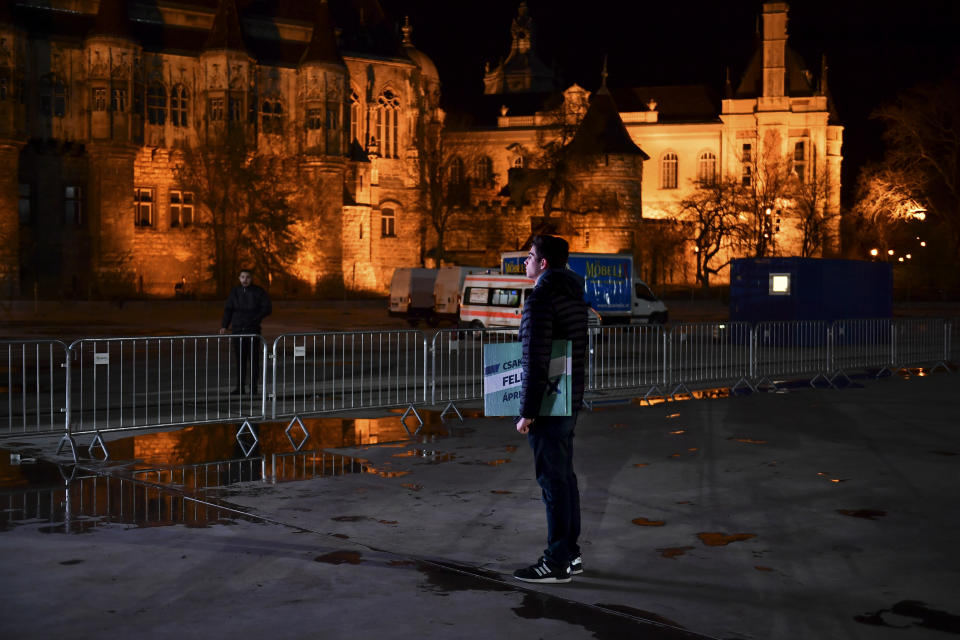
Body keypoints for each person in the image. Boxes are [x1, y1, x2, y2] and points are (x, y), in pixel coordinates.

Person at [512, 235, 588, 584]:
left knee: (552, 482)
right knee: (564, 478)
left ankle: (557, 560)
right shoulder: (572, 295)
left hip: (549, 404)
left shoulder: (541, 298)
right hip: (568, 399)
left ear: (543, 264)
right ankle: (570, 555)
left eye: (529, 256)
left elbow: (536, 357)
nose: (524, 262)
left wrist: (528, 411)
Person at [220, 269, 272, 393]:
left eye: (247, 277)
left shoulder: (258, 292)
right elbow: (228, 309)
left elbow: (267, 308)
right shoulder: (235, 292)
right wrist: (224, 325)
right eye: (242, 277)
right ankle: (240, 387)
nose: (245, 279)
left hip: (252, 330)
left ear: (251, 278)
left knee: (253, 360)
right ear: (239, 278)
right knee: (240, 361)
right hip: (238, 330)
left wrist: (255, 318)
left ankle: (253, 388)